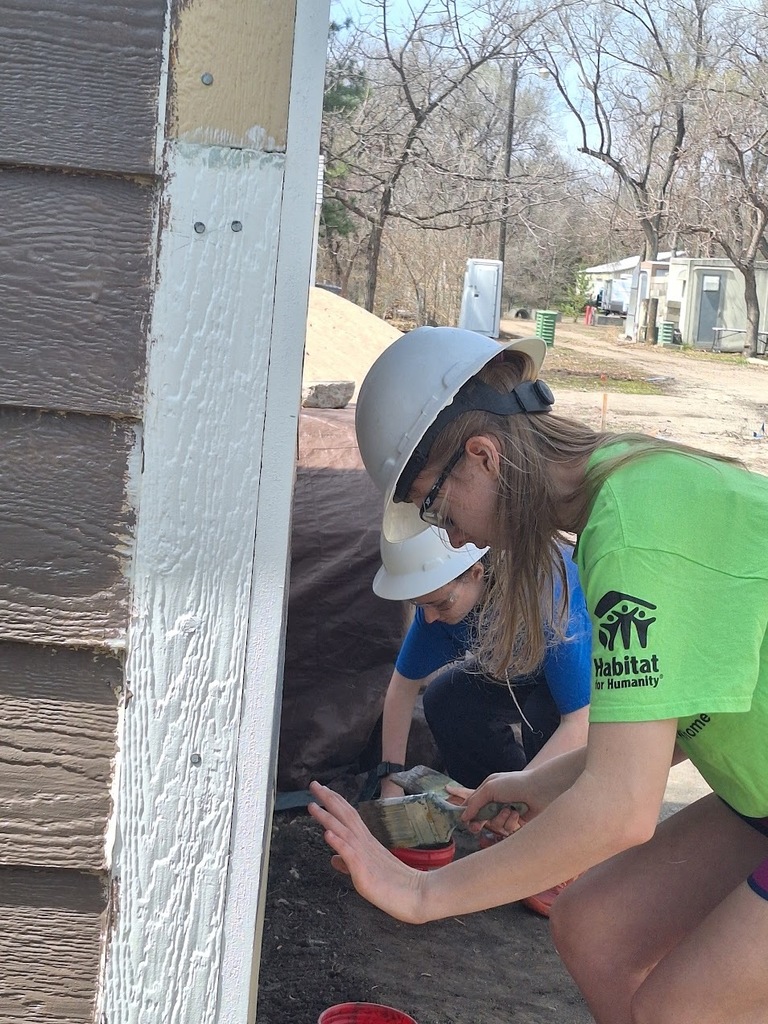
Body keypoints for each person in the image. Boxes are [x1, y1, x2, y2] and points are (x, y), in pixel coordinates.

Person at [308, 326, 768, 1024]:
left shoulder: (633, 531)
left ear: (483, 457)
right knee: (594, 926)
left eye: (434, 505)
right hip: (756, 794)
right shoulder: (624, 490)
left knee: (683, 1009)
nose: (452, 535)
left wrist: (422, 894)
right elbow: (685, 716)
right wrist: (535, 783)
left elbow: (621, 811)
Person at [372, 524, 591, 916]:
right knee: (446, 698)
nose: (430, 618)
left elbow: (580, 722)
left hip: (591, 684)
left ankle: (566, 841)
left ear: (476, 574)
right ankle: (503, 816)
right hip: (524, 668)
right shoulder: (439, 605)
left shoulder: (548, 598)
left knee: (547, 714)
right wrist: (392, 786)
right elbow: (402, 689)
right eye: (421, 606)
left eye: (439, 604)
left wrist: (525, 788)